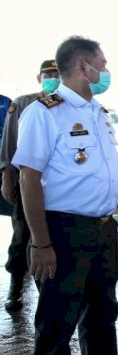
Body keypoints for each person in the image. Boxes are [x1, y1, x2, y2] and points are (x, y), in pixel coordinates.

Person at [12, 36, 118, 355]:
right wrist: (40, 244)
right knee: (57, 324)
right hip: (63, 232)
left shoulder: (98, 113)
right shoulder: (44, 113)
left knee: (102, 318)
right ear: (83, 67)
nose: (107, 70)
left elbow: (103, 170)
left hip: (101, 232)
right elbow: (28, 178)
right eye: (103, 64)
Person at [0, 59, 61, 312]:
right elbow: (9, 143)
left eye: (56, 74)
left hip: (56, 187)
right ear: (39, 78)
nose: (52, 79)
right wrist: (6, 176)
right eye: (47, 75)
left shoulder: (67, 104)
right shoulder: (23, 103)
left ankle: (49, 294)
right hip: (27, 183)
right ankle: (16, 286)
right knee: (23, 235)